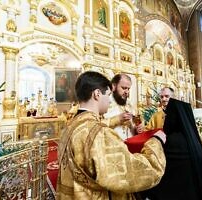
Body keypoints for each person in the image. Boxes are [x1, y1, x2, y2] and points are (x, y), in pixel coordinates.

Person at [57, 71, 166, 200]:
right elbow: (137, 171)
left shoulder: (69, 127)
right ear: (97, 94)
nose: (109, 100)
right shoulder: (99, 133)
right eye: (108, 95)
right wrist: (156, 141)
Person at [145, 98, 202, 200]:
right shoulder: (192, 138)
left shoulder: (171, 140)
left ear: (174, 117)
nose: (166, 119)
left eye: (167, 116)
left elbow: (157, 166)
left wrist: (156, 139)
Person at [103, 73, 139, 140]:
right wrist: (117, 119)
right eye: (124, 88)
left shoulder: (129, 104)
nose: (127, 92)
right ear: (113, 86)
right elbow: (95, 125)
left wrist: (137, 129)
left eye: (128, 89)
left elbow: (135, 123)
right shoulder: (104, 102)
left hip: (129, 146)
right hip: (113, 146)